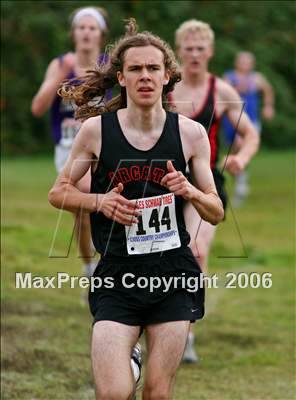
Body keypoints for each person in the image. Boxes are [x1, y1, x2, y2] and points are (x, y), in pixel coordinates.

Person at [48, 18, 224, 400]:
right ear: (122, 78)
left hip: (173, 274)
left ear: (166, 77)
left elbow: (216, 210)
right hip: (116, 273)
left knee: (157, 395)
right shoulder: (96, 132)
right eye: (135, 68)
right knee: (112, 394)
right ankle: (131, 359)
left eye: (153, 68)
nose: (145, 75)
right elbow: (58, 193)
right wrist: (100, 201)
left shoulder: (190, 134)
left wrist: (191, 191)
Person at [169, 20, 260, 363]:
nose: (194, 54)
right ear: (179, 51)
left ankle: (187, 332)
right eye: (188, 48)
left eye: (200, 48)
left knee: (196, 251)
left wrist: (241, 157)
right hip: (161, 181)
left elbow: (250, 134)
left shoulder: (220, 91)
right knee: (154, 255)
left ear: (210, 52)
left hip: (204, 184)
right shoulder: (164, 88)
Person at [31, 7, 109, 278]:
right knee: (82, 212)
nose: (86, 32)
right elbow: (38, 108)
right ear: (74, 32)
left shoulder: (108, 66)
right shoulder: (60, 64)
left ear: (100, 33)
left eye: (92, 28)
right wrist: (58, 76)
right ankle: (91, 268)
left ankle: (103, 267)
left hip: (103, 148)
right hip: (68, 149)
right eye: (81, 27)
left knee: (89, 205)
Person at [222, 51, 275, 206]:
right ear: (236, 63)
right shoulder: (229, 77)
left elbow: (268, 90)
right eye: (242, 61)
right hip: (232, 121)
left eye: (248, 62)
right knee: (235, 153)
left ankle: (241, 184)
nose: (245, 65)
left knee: (241, 146)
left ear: (252, 64)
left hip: (250, 122)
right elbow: (221, 94)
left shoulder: (256, 78)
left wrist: (268, 106)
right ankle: (241, 178)